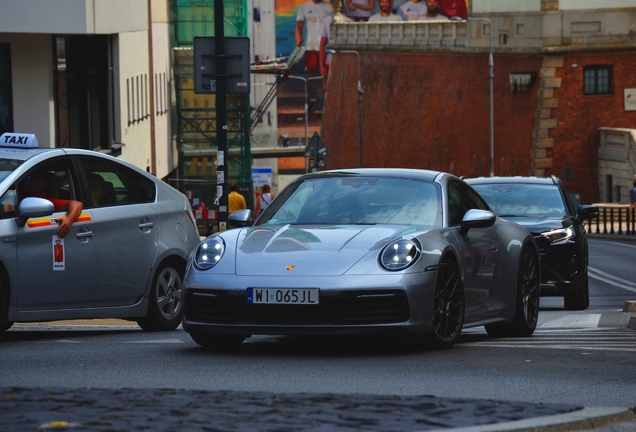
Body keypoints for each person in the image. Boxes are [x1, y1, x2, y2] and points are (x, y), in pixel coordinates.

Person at [19, 170, 83, 239]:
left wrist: (69, 220)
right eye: (24, 178)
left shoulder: (47, 202)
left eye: (31, 179)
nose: (25, 182)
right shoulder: (13, 195)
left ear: (43, 183)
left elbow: (77, 204)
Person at [296, 0, 334, 113]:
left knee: (326, 76)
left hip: (326, 48)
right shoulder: (304, 7)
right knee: (311, 76)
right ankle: (313, 101)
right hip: (311, 47)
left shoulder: (329, 8)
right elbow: (299, 28)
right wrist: (298, 47)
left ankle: (326, 102)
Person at [319, 0, 351, 89]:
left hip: (344, 60)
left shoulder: (349, 21)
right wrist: (321, 65)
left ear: (342, 6)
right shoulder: (326, 21)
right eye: (335, 4)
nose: (338, 6)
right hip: (329, 60)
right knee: (327, 86)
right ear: (332, 6)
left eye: (340, 4)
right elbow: (322, 44)